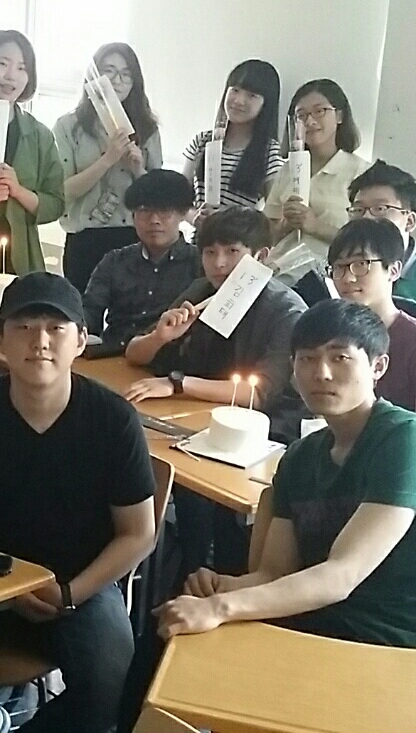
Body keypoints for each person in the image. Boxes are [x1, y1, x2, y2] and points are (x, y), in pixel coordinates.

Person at [119, 299, 416, 731]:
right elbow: (274, 572)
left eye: (340, 358)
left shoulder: (408, 439)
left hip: (404, 638)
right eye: (307, 359)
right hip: (323, 618)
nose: (321, 373)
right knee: (163, 631)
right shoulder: (299, 457)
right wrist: (221, 587)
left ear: (378, 366)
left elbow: (342, 574)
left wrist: (223, 606)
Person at [0, 272, 156, 732]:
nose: (40, 342)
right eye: (24, 327)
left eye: (56, 328)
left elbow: (139, 533)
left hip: (80, 585)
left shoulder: (114, 420)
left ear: (81, 340)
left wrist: (71, 594)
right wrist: (9, 586)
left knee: (115, 686)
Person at [125, 207, 307, 576]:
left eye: (232, 252)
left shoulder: (286, 310)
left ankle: (215, 568)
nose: (219, 264)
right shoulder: (201, 290)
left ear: (261, 257)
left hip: (266, 432)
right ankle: (189, 566)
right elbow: (134, 353)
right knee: (169, 470)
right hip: (198, 419)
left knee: (206, 496)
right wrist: (160, 337)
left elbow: (261, 393)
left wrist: (177, 383)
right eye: (210, 252)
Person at [53, 42, 162, 292]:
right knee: (83, 309)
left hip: (133, 237)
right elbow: (62, 191)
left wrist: (138, 170)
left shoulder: (147, 128)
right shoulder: (69, 126)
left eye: (126, 74)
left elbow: (158, 196)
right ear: (94, 76)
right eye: (109, 71)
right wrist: (107, 159)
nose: (117, 81)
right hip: (85, 238)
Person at [0, 29, 65, 276]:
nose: (10, 76)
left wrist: (18, 191)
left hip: (21, 256)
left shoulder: (39, 135)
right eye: (2, 64)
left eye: (21, 68)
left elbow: (56, 203)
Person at [327, 218, 416, 431]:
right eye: (339, 267)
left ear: (393, 270)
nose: (347, 278)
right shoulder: (329, 334)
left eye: (360, 264)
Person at [82, 169, 200, 355]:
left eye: (165, 211)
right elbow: (89, 311)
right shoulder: (115, 261)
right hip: (112, 356)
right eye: (144, 211)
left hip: (169, 361)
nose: (154, 220)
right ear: (133, 215)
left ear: (182, 214)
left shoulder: (199, 264)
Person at [264, 78, 370, 279]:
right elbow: (265, 236)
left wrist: (315, 226)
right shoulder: (287, 170)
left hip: (330, 277)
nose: (310, 122)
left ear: (339, 116)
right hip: (278, 273)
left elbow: (369, 242)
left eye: (319, 111)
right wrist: (285, 225)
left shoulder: (361, 172)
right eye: (301, 115)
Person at [182, 59, 283, 215]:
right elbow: (179, 200)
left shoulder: (270, 152)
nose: (239, 101)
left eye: (252, 95)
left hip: (240, 231)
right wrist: (196, 217)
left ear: (266, 104)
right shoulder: (202, 140)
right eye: (235, 90)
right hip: (198, 230)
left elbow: (274, 214)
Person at [347, 160, 416, 311]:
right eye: (358, 210)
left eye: (380, 208)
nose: (366, 218)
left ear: (409, 221)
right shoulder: (341, 271)